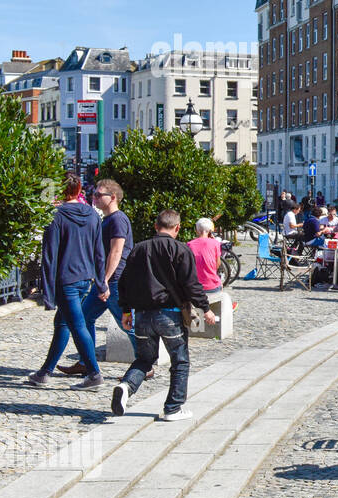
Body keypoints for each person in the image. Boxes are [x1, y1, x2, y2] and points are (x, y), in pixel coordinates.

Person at [112, 209, 217, 421]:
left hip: (142, 315)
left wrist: (125, 310)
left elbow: (124, 282)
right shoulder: (180, 250)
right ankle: (173, 408)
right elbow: (191, 284)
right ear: (177, 228)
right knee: (180, 360)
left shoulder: (139, 249)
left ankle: (126, 386)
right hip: (170, 315)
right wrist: (205, 309)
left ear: (155, 226)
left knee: (144, 359)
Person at [29, 175, 107, 389]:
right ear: (79, 189)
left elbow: (49, 255)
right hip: (85, 278)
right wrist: (100, 282)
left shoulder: (56, 216)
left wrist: (47, 292)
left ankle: (93, 373)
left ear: (61, 191)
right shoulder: (92, 215)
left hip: (66, 280)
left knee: (76, 325)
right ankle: (45, 372)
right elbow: (99, 252)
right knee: (63, 322)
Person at [61, 178, 135, 376]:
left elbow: (116, 252)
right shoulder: (108, 219)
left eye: (98, 194)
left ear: (112, 197)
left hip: (114, 281)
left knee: (125, 323)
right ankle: (87, 361)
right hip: (104, 282)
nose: (93, 197)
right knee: (85, 319)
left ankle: (145, 364)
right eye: (93, 194)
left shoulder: (118, 219)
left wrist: (104, 281)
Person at [188, 218, 224, 293]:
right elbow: (217, 265)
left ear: (197, 230)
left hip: (195, 286)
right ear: (210, 231)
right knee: (220, 285)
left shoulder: (189, 245)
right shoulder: (215, 243)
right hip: (212, 286)